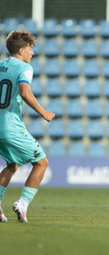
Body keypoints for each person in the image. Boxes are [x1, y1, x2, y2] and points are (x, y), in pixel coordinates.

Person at [0, 30, 55, 223]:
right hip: (10, 127)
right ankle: (22, 204)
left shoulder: (0, 66)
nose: (32, 53)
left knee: (12, 164)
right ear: (21, 50)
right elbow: (24, 91)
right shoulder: (24, 67)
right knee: (41, 163)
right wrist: (43, 112)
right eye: (31, 49)